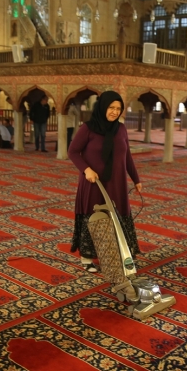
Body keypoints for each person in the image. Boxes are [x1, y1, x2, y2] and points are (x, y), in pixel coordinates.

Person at [68, 91, 142, 273]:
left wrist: (136, 179)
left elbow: (127, 157)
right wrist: (86, 170)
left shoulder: (121, 129)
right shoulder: (88, 128)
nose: (115, 112)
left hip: (116, 184)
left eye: (118, 108)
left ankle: (118, 254)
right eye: (111, 107)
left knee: (117, 216)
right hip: (94, 183)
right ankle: (87, 258)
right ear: (102, 107)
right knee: (94, 218)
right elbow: (72, 152)